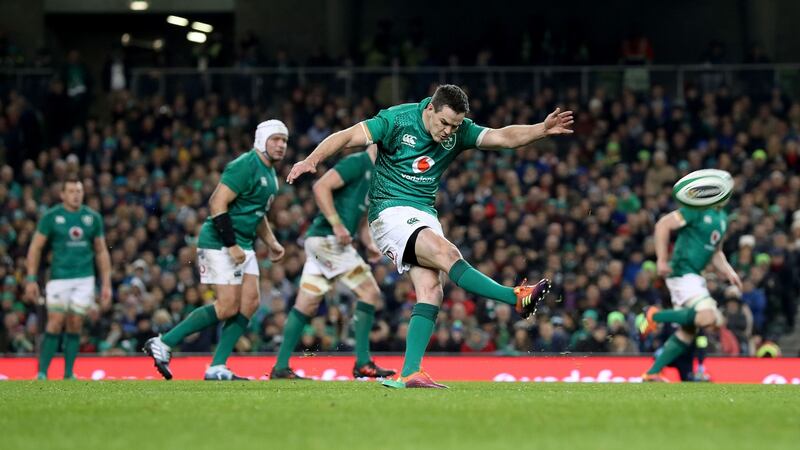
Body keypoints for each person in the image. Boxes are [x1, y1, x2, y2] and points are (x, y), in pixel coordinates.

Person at [287, 84, 574, 388]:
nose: (449, 131)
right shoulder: (396, 120)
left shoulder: (459, 130)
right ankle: (514, 297)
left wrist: (541, 129)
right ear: (430, 109)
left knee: (431, 290)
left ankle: (409, 372)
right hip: (389, 212)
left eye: (455, 125)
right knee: (448, 254)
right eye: (444, 123)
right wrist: (312, 160)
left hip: (424, 214)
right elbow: (346, 136)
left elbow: (502, 137)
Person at [144, 120, 288, 380]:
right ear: (261, 140)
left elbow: (257, 214)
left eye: (284, 141)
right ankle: (163, 342)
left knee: (250, 303)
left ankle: (217, 366)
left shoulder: (270, 174)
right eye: (276, 139)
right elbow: (217, 202)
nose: (281, 145)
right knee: (226, 307)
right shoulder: (245, 164)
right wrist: (232, 245)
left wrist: (272, 242)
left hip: (243, 244)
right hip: (220, 241)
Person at [270, 144, 396, 379]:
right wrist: (337, 224)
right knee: (369, 292)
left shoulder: (377, 175)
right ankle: (362, 362)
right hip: (328, 242)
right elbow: (321, 187)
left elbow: (359, 219)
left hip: (322, 244)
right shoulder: (357, 162)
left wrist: (368, 243)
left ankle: (280, 367)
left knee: (306, 304)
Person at [639, 182, 742, 381]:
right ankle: (655, 316)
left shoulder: (722, 219)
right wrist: (661, 259)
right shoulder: (696, 209)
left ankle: (652, 373)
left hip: (694, 276)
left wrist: (730, 272)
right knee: (708, 317)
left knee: (688, 333)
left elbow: (716, 253)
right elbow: (663, 224)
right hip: (683, 271)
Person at [25, 177, 112, 379]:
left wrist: (106, 283)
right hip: (59, 277)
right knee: (55, 321)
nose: (76, 195)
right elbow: (36, 247)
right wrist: (30, 278)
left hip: (84, 278)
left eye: (79, 191)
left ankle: (68, 374)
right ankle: (42, 373)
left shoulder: (93, 218)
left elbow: (101, 251)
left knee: (75, 323)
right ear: (62, 194)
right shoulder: (51, 217)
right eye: (71, 191)